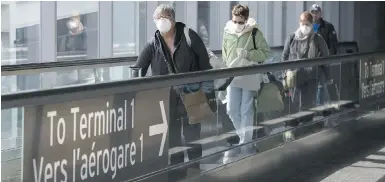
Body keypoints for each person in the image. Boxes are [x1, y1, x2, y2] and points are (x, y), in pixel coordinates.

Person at [134, 4, 212, 181]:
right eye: (159, 18)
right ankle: (177, 173)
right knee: (173, 138)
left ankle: (194, 170)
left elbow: (206, 67)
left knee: (193, 136)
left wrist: (207, 92)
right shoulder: (152, 45)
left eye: (166, 17)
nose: (162, 21)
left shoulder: (189, 36)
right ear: (154, 21)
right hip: (166, 101)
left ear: (173, 19)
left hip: (192, 95)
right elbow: (138, 70)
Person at [222, 4, 270, 155]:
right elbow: (224, 53)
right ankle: (244, 140)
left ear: (246, 20)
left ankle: (245, 144)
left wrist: (248, 55)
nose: (237, 25)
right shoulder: (227, 31)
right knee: (231, 109)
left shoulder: (254, 32)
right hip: (233, 76)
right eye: (235, 21)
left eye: (240, 22)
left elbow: (265, 53)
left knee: (246, 111)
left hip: (249, 76)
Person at [282, 11, 330, 113]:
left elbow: (326, 58)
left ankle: (306, 125)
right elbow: (285, 56)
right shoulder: (292, 38)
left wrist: (327, 76)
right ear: (299, 23)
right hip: (295, 77)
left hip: (311, 77)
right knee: (294, 103)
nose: (304, 26)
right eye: (303, 24)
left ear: (311, 24)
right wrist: (284, 75)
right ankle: (296, 124)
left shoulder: (317, 39)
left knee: (308, 104)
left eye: (307, 24)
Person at [310, 4, 338, 105]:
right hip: (310, 62)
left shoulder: (328, 26)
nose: (314, 14)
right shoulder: (308, 26)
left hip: (323, 61)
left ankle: (320, 107)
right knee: (314, 86)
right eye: (312, 12)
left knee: (322, 84)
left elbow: (333, 44)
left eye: (316, 12)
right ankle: (315, 106)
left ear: (320, 13)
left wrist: (328, 58)